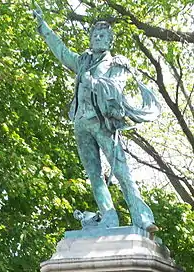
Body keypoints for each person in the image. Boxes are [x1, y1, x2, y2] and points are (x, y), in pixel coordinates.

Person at [33, 3, 160, 233]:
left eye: (104, 36)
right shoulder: (82, 61)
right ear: (91, 40)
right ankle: (109, 218)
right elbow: (62, 52)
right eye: (96, 35)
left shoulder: (116, 63)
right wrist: (44, 28)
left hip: (103, 124)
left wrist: (94, 84)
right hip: (81, 124)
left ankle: (142, 218)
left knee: (120, 171)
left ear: (110, 41)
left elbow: (116, 89)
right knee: (94, 175)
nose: (99, 38)